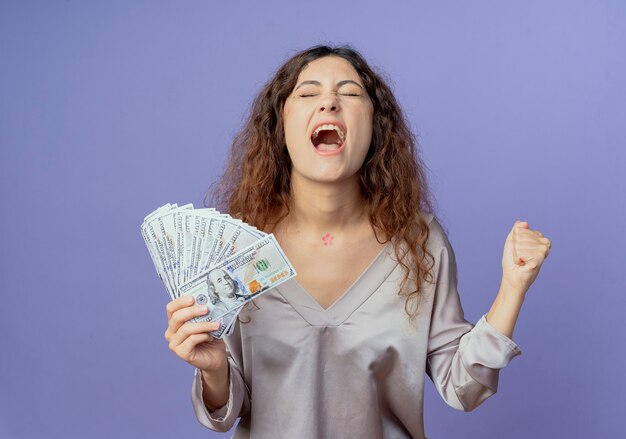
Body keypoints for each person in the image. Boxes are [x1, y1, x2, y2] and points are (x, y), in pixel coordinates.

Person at [163, 45, 551, 438]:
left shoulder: (418, 244)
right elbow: (228, 411)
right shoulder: (236, 247)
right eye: (308, 93)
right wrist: (213, 368)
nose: (329, 103)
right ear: (280, 123)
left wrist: (513, 288)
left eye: (349, 93)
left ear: (375, 125)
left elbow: (463, 386)